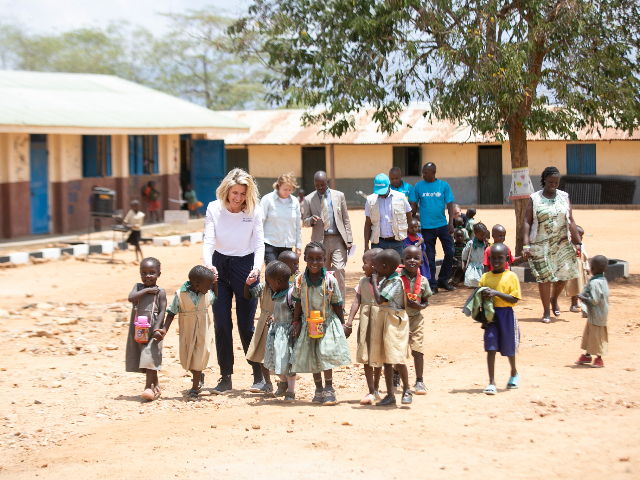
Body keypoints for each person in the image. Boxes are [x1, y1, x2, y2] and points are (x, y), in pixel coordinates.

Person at [202, 168, 266, 394]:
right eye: (234, 193)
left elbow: (259, 244)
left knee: (245, 324)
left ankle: (258, 375)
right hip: (219, 266)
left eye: (242, 194)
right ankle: (225, 376)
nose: (238, 198)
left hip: (246, 266)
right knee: (221, 322)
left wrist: (256, 269)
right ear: (226, 190)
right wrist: (208, 264)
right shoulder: (213, 208)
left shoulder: (254, 211)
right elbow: (209, 239)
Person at [291, 242, 351, 406]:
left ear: (325, 259)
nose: (314, 262)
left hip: (327, 323)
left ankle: (329, 388)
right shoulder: (300, 280)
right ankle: (318, 389)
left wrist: (343, 324)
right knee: (313, 355)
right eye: (310, 258)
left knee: (325, 354)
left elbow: (338, 303)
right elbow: (297, 302)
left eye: (319, 259)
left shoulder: (329, 279)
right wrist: (296, 322)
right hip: (308, 324)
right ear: (305, 259)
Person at [522, 166, 582, 323]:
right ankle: (546, 312)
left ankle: (554, 299)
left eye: (556, 182)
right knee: (544, 278)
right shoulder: (535, 198)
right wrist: (526, 244)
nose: (553, 184)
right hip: (540, 244)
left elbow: (571, 220)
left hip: (561, 243)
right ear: (544, 180)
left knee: (563, 276)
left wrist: (578, 242)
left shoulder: (564, 197)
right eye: (550, 181)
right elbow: (527, 222)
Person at [157, 265, 217, 401]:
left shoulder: (206, 293)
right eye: (208, 285)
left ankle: (194, 389)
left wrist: (215, 283)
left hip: (203, 330)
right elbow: (171, 312)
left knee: (199, 356)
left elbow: (215, 297)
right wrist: (164, 329)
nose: (210, 288)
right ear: (197, 284)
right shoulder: (180, 295)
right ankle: (198, 375)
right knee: (187, 358)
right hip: (187, 330)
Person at [244, 250, 299, 395]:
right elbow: (249, 295)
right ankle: (268, 383)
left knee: (285, 356)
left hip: (284, 323)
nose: (296, 267)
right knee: (265, 354)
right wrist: (247, 284)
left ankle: (285, 385)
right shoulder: (265, 285)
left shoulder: (293, 286)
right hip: (267, 322)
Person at [369, 249, 412, 406]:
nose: (374, 268)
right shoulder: (386, 279)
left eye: (377, 265)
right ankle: (390, 395)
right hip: (385, 320)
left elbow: (380, 299)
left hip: (394, 322)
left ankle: (407, 389)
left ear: (385, 266)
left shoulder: (394, 282)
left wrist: (374, 280)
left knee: (397, 358)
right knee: (386, 360)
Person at [301, 171, 353, 301]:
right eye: (317, 185)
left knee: (339, 270)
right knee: (322, 272)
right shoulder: (308, 199)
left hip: (337, 239)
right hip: (320, 242)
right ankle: (325, 303)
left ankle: (339, 303)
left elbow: (345, 219)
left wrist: (350, 239)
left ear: (327, 182)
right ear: (314, 184)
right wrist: (311, 220)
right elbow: (305, 221)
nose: (320, 187)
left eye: (322, 185)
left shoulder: (339, 196)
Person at [478, 243, 522, 395]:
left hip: (506, 315)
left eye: (500, 258)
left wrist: (496, 293)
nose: (496, 261)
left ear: (507, 259)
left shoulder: (511, 277)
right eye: (493, 258)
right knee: (490, 347)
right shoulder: (485, 277)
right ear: (489, 259)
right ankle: (491, 382)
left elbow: (514, 299)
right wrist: (482, 297)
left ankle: (514, 373)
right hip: (491, 317)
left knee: (509, 347)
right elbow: (479, 297)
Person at [125, 257, 167, 401]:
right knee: (144, 357)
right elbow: (131, 298)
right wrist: (147, 291)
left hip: (153, 329)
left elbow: (162, 310)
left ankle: (148, 387)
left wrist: (157, 328)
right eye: (144, 273)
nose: (147, 276)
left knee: (150, 355)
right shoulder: (138, 288)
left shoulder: (160, 291)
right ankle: (155, 385)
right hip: (139, 329)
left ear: (158, 274)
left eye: (151, 273)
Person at [345, 248, 384, 405]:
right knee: (366, 355)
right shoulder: (362, 282)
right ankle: (371, 389)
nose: (362, 267)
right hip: (366, 323)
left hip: (381, 321)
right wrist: (349, 322)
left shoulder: (387, 282)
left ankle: (377, 387)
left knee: (379, 356)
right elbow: (356, 301)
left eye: (365, 263)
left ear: (375, 265)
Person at [414, 162, 456, 293]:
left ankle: (443, 280)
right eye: (423, 172)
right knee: (430, 256)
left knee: (450, 252)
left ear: (433, 173)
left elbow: (450, 205)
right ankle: (432, 283)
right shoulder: (419, 186)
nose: (423, 175)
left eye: (426, 173)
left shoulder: (443, 185)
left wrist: (451, 222)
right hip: (427, 228)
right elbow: (414, 206)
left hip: (443, 225)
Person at [399, 245, 432, 395]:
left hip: (416, 319)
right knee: (398, 349)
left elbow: (425, 301)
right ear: (402, 260)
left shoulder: (423, 281)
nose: (412, 260)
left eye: (416, 258)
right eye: (408, 258)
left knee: (417, 349)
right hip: (399, 319)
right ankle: (395, 375)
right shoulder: (397, 280)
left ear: (421, 262)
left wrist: (420, 305)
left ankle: (419, 380)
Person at [262, 261, 298, 401]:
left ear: (278, 282)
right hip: (276, 333)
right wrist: (272, 317)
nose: (269, 286)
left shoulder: (291, 295)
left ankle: (291, 390)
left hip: (287, 334)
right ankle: (282, 383)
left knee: (288, 362)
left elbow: (296, 313)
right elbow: (277, 311)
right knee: (276, 359)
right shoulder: (276, 293)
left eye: (270, 283)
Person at [364, 173, 412, 256]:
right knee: (379, 268)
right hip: (378, 243)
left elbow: (409, 217)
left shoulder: (400, 197)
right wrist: (366, 246)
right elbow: (368, 224)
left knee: (398, 268)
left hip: (397, 242)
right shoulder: (370, 200)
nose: (381, 194)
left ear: (389, 185)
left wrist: (401, 230)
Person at [575, 255, 609, 368]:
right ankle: (587, 355)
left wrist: (582, 297)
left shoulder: (595, 283)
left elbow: (594, 300)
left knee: (597, 337)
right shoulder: (602, 280)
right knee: (590, 335)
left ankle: (599, 359)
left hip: (597, 315)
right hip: (595, 315)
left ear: (593, 268)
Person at [260, 172, 303, 264]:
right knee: (273, 273)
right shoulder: (267, 200)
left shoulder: (295, 202)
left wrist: (298, 246)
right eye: (285, 189)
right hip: (270, 244)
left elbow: (298, 225)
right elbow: (260, 222)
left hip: (288, 246)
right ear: (279, 186)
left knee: (286, 274)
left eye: (290, 190)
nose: (287, 192)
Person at [566, 226, 590, 312]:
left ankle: (578, 302)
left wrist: (587, 268)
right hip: (572, 269)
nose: (581, 238)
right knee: (573, 287)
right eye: (579, 235)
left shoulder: (582, 246)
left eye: (582, 236)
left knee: (581, 286)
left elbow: (584, 257)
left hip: (580, 269)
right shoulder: (568, 245)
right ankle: (573, 304)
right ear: (572, 235)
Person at [462, 223, 490, 287]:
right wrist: (464, 264)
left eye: (484, 235)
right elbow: (465, 253)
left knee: (482, 281)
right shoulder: (471, 243)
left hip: (482, 265)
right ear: (475, 233)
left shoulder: (485, 244)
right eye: (481, 235)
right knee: (473, 281)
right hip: (473, 266)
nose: (483, 237)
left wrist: (486, 245)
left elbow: (487, 252)